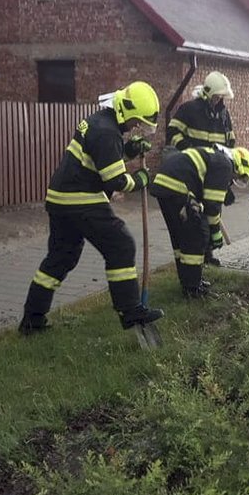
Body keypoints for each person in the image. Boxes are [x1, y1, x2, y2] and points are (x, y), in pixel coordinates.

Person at [18, 81, 164, 336]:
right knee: (121, 245)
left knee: (60, 258)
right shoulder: (107, 132)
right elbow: (115, 179)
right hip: (81, 199)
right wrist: (140, 180)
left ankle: (32, 320)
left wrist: (128, 150)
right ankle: (130, 311)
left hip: (60, 199)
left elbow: (101, 158)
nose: (136, 127)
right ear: (125, 112)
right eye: (136, 122)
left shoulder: (100, 121)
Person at [149, 145, 249, 298]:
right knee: (196, 237)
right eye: (237, 176)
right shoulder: (225, 165)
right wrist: (216, 232)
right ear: (238, 165)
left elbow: (204, 188)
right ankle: (192, 288)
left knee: (180, 238)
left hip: (166, 186)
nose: (234, 180)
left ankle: (188, 281)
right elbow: (212, 206)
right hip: (178, 188)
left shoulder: (216, 157)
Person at [166, 71, 237, 267]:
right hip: (194, 171)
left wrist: (227, 182)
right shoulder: (189, 109)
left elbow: (230, 140)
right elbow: (172, 131)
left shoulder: (223, 114)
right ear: (207, 93)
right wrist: (187, 149)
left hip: (215, 173)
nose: (219, 99)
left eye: (221, 96)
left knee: (214, 210)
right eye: (216, 96)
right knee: (195, 213)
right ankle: (196, 253)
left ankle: (209, 253)